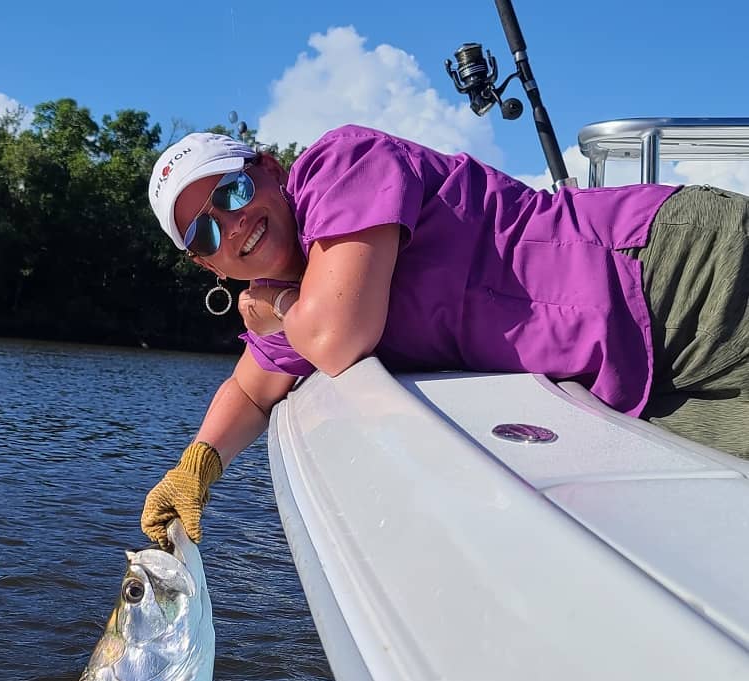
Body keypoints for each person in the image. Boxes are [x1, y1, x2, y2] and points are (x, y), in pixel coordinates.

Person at [140, 126, 749, 550]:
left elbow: (336, 335)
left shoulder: (340, 165)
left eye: (232, 192)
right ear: (206, 265)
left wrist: (276, 306)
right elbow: (251, 391)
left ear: (271, 171)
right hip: (635, 378)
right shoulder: (296, 296)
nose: (232, 226)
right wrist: (196, 467)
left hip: (672, 273)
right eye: (204, 233)